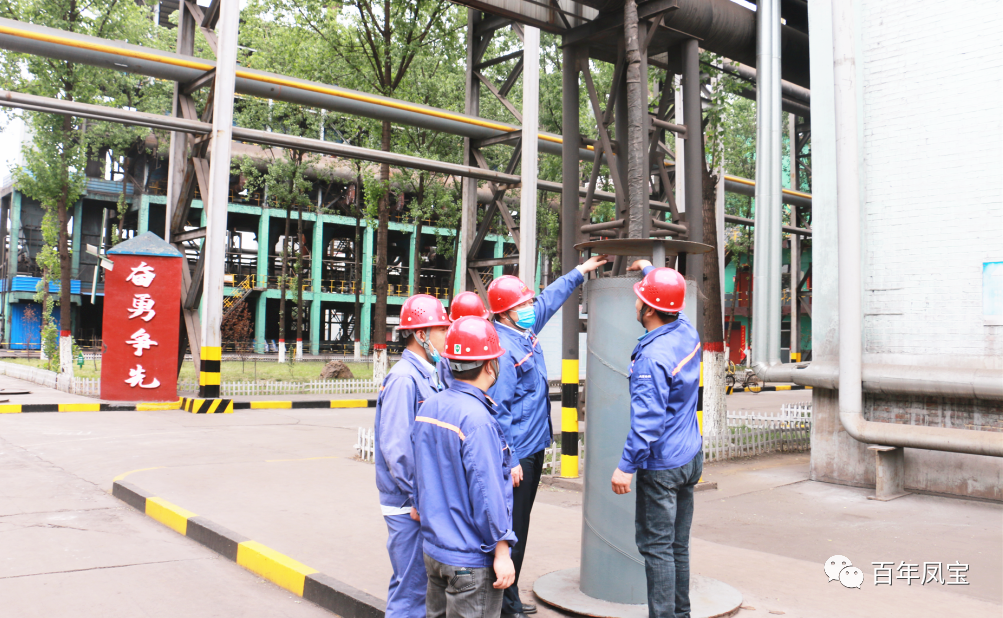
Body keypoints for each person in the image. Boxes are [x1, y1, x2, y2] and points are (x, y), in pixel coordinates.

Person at [486, 254, 608, 618]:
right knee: (512, 530)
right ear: (505, 313)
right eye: (522, 304)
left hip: (533, 446)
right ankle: (505, 605)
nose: (529, 308)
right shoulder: (504, 349)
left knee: (520, 526)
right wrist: (508, 459)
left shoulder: (522, 330)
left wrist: (579, 273)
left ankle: (507, 598)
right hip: (518, 455)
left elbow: (548, 300)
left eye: (528, 302)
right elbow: (499, 411)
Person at [611, 260, 703, 618]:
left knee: (658, 548)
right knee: (677, 546)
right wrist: (650, 269)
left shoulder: (652, 357)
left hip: (663, 465)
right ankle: (681, 614)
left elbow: (647, 423)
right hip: (690, 457)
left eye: (639, 298)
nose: (635, 302)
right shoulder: (686, 331)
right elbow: (671, 299)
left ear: (649, 310)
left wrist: (625, 467)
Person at [412, 316, 517, 618]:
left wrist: (417, 504)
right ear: (489, 365)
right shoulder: (478, 420)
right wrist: (502, 552)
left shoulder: (430, 406)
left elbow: (419, 468)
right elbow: (487, 493)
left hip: (435, 552)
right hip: (469, 561)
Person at [375, 294, 451, 618]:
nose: (447, 336)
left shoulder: (427, 373)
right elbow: (397, 448)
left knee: (419, 588)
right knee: (411, 593)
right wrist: (419, 497)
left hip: (419, 501)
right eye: (442, 330)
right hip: (408, 505)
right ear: (421, 334)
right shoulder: (404, 378)